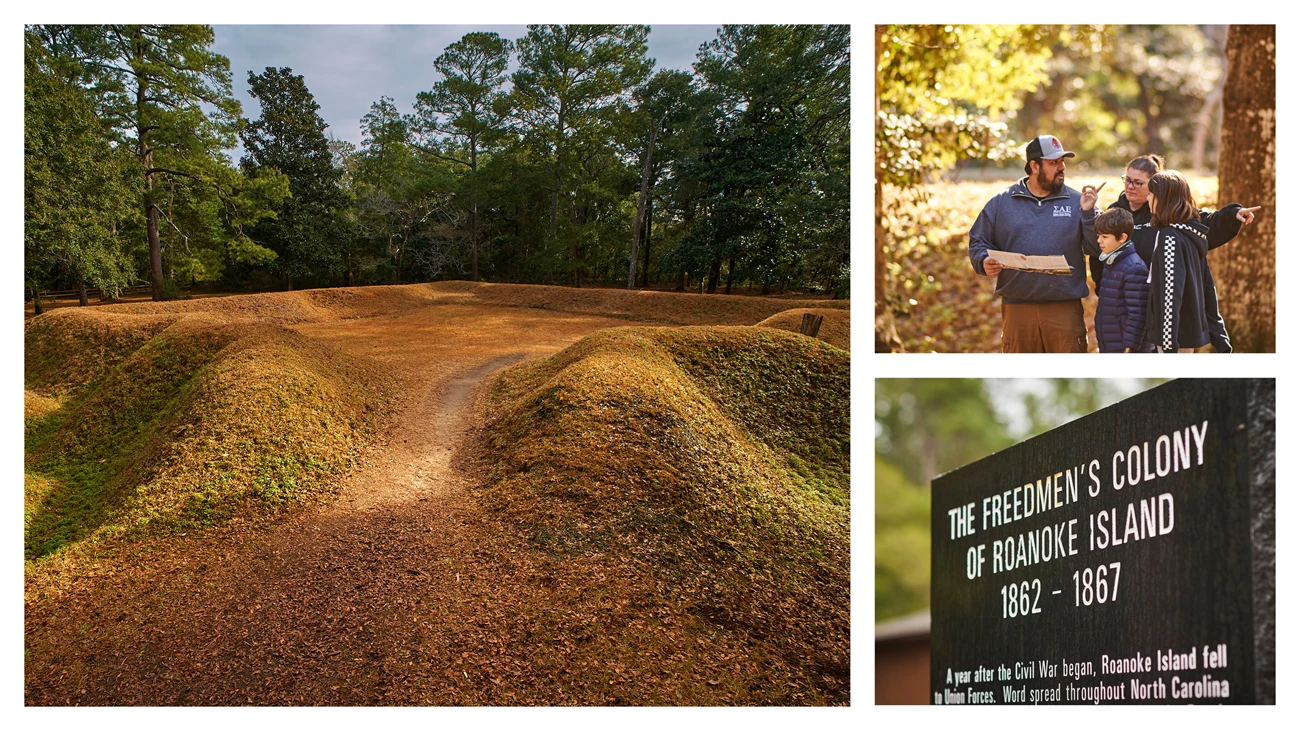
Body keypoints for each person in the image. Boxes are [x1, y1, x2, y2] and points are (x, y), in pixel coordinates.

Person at [1089, 153, 1260, 351]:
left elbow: (1182, 290)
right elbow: (1099, 250)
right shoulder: (1117, 211)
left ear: (1156, 190)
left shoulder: (1173, 231)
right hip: (1129, 309)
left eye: (1138, 183)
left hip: (1162, 322)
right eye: (1127, 180)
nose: (1130, 186)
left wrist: (1232, 214)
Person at [969, 134, 1104, 352]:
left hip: (1065, 310)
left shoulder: (1080, 202)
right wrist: (983, 261)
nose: (1061, 167)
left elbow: (1098, 248)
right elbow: (977, 241)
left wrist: (1089, 215)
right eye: (1053, 163)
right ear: (1034, 166)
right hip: (1017, 310)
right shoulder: (1001, 203)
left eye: (1062, 162)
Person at [1144, 170, 1229, 353]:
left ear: (1162, 198)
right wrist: (1219, 335)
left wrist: (1167, 345)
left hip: (1173, 338)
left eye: (1150, 194)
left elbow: (1170, 293)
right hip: (1185, 334)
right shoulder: (1189, 234)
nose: (1147, 198)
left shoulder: (1170, 237)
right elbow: (1208, 286)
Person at [1093, 208, 1154, 353]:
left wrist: (1130, 347)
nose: (1099, 240)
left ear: (1122, 238)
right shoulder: (1111, 262)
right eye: (1098, 235)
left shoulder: (1133, 268)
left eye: (1105, 236)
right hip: (1111, 343)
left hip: (1126, 348)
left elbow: (1138, 313)